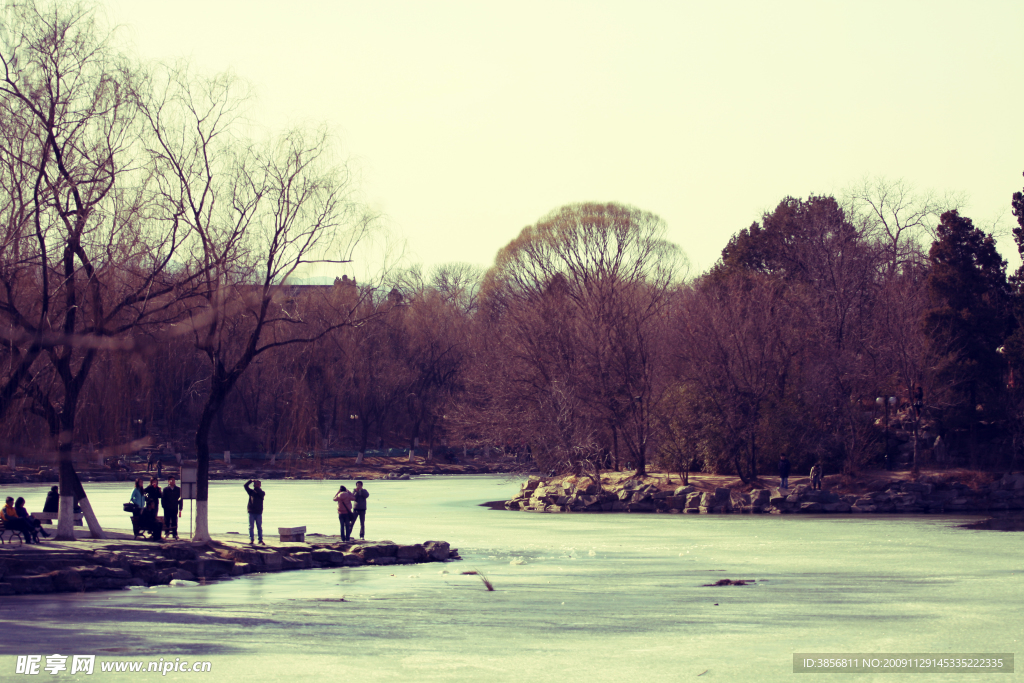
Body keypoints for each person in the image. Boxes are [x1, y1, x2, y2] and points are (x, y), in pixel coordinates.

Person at [244, 479, 265, 545]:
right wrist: (251, 481)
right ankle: (251, 540)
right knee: (251, 527)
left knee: (259, 527)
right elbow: (245, 486)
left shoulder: (262, 493)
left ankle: (260, 540)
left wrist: (257, 487)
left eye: (258, 484)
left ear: (260, 485)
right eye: (256, 484)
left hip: (258, 512)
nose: (257, 485)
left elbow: (259, 492)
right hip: (251, 512)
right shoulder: (251, 492)